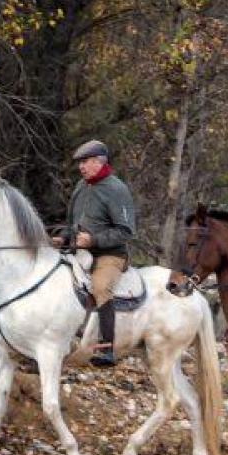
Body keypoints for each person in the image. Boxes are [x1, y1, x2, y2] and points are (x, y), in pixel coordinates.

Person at [64, 140, 136, 367]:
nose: (81, 167)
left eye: (85, 162)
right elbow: (72, 224)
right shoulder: (81, 187)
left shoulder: (117, 189)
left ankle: (107, 349)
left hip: (111, 255)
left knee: (99, 287)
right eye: (80, 163)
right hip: (80, 252)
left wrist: (93, 240)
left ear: (98, 162)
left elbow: (126, 231)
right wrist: (63, 239)